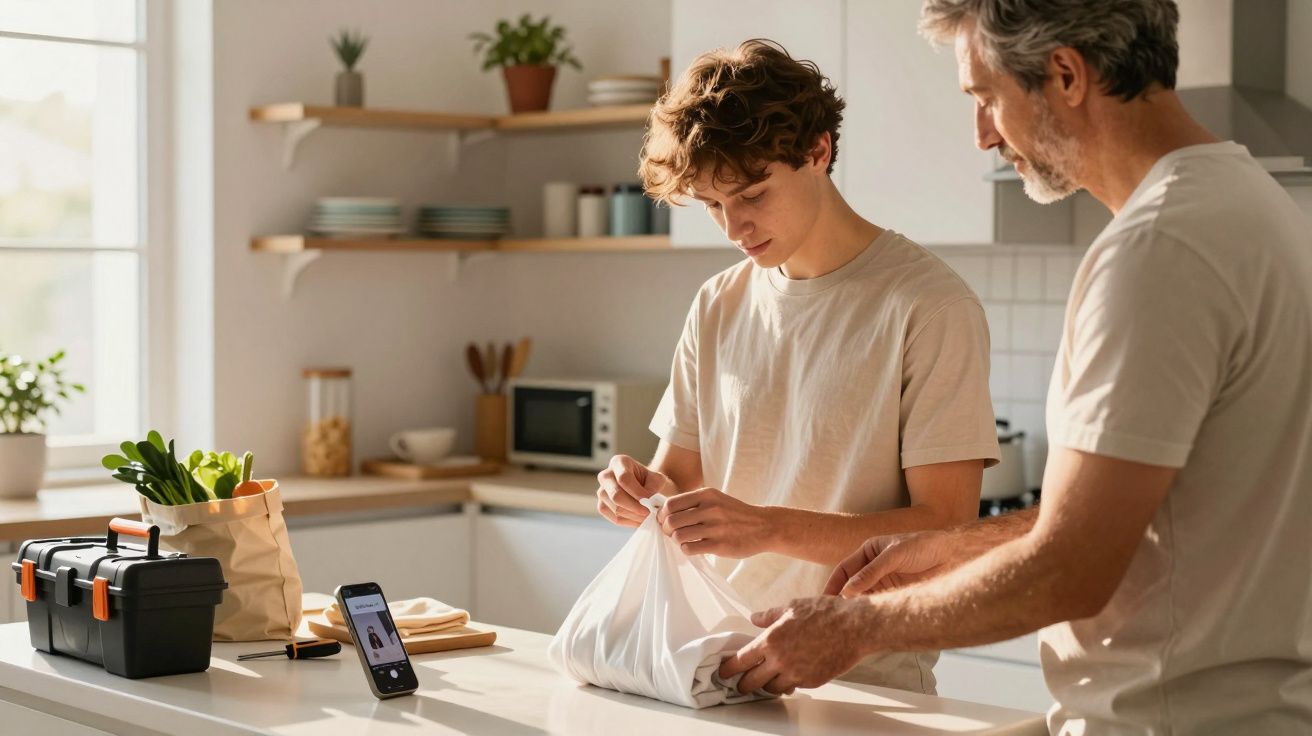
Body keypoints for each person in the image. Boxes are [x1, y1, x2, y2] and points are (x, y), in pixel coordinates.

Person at [719, 2, 1312, 732]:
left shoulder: (1159, 251)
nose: (981, 135)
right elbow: (1143, 513)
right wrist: (958, 544)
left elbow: (1070, 567)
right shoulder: (1254, 208)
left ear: (1065, 74)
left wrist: (851, 627)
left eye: (985, 97)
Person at [595, 39, 1001, 693]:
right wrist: (639, 491)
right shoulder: (717, 304)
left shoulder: (928, 304)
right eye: (714, 205)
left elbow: (945, 529)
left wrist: (767, 527)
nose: (735, 227)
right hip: (718, 666)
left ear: (818, 151)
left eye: (752, 194)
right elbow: (678, 482)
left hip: (865, 681)